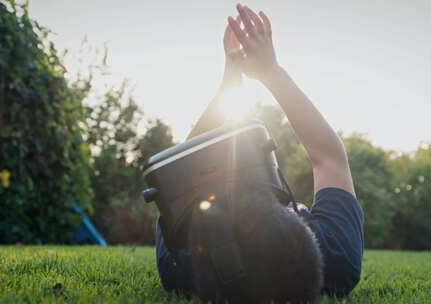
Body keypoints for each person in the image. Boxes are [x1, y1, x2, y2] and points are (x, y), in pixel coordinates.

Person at [155, 4, 364, 303]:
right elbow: (329, 157)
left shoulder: (180, 261)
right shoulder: (334, 259)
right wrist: (271, 72)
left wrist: (230, 81)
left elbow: (177, 172)